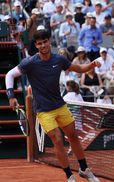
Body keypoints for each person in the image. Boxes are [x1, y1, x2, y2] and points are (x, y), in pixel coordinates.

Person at [5, 29, 101, 182]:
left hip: (60, 105)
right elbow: (10, 74)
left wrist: (92, 65)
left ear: (49, 41)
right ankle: (69, 176)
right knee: (57, 138)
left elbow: (79, 69)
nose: (43, 45)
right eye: (39, 43)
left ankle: (84, 169)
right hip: (44, 110)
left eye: (45, 42)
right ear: (36, 46)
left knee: (73, 136)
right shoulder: (29, 63)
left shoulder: (59, 60)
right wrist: (11, 96)